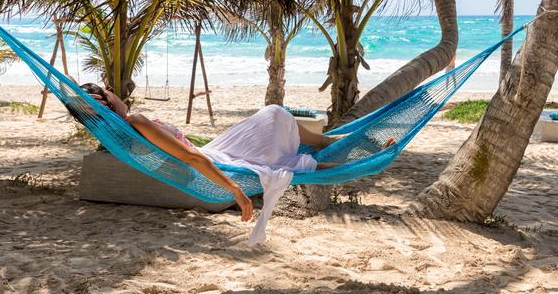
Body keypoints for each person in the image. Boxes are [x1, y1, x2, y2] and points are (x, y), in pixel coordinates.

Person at [72, 83, 395, 243]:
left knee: (289, 161)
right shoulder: (136, 121)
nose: (117, 93)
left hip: (215, 155)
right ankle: (356, 148)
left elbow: (184, 155)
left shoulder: (122, 136)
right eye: (110, 92)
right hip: (216, 159)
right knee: (274, 115)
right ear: (106, 101)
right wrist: (234, 189)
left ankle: (359, 151)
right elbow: (189, 155)